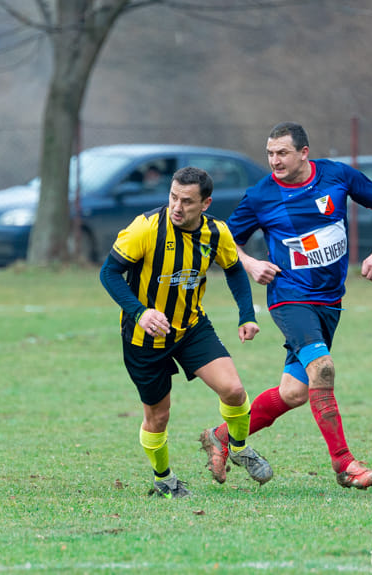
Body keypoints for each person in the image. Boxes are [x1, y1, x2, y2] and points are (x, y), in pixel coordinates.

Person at [200, 121, 372, 490]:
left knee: (294, 393)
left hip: (330, 301)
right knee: (322, 369)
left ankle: (221, 436)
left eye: (282, 153)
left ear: (304, 153)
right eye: (270, 153)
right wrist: (252, 263)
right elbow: (222, 240)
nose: (275, 160)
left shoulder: (337, 176)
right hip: (289, 298)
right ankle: (344, 463)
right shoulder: (261, 195)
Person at [100, 166, 270, 499]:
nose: (177, 207)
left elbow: (234, 269)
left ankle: (238, 447)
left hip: (191, 327)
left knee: (234, 390)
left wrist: (246, 315)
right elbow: (109, 273)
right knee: (158, 417)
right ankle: (164, 479)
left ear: (205, 204)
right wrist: (141, 312)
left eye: (187, 202)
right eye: (173, 198)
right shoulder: (145, 229)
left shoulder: (215, 233)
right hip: (143, 338)